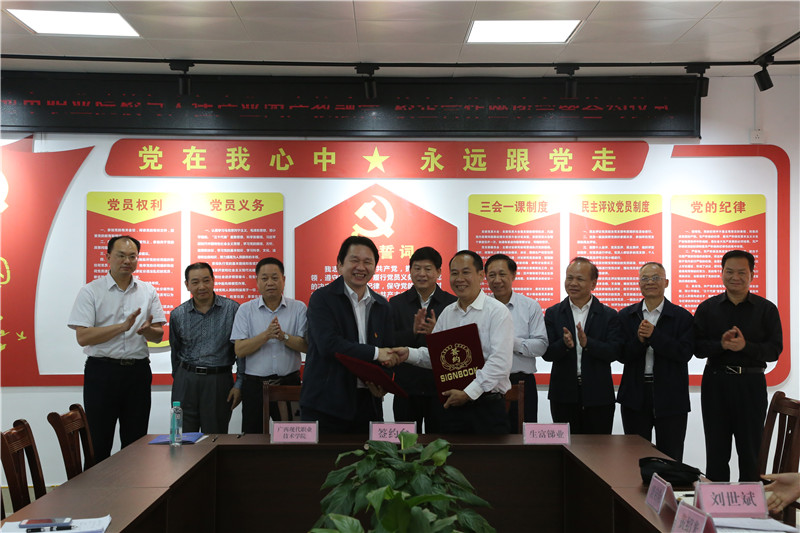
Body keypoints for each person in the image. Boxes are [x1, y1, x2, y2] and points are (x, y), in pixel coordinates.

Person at [392, 250, 513, 434]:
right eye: (455, 273)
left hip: (485, 407)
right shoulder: (448, 313)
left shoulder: (497, 312)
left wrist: (468, 393)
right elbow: (438, 356)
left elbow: (499, 363)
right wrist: (408, 353)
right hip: (452, 406)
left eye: (466, 272)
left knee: (487, 454)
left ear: (481, 275)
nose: (459, 279)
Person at [67, 235, 166, 461]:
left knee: (135, 442)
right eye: (121, 255)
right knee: (98, 442)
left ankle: (133, 485)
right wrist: (122, 327)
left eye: (132, 256)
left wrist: (147, 331)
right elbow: (83, 337)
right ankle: (96, 485)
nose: (127, 261)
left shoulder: (148, 291)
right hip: (102, 372)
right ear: (108, 257)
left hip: (137, 373)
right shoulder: (91, 291)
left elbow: (158, 335)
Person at [694, 249, 782, 482]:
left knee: (751, 452)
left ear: (752, 275)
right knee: (716, 451)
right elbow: (697, 348)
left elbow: (774, 350)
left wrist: (745, 346)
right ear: (722, 273)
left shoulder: (766, 309)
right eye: (730, 271)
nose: (735, 277)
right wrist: (721, 345)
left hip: (750, 384)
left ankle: (750, 503)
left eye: (742, 272)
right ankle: (716, 502)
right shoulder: (707, 308)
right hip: (716, 383)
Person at [300, 236, 397, 434]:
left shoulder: (382, 305)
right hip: (326, 404)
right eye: (354, 260)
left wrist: (383, 382)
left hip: (368, 404)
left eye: (367, 262)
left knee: (370, 454)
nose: (361, 267)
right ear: (339, 265)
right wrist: (376, 353)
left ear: (375, 267)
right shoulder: (322, 298)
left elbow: (389, 350)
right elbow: (328, 345)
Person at [617, 262, 693, 460]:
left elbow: (684, 353)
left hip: (671, 397)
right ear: (639, 283)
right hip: (634, 395)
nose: (650, 282)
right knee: (635, 457)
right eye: (645, 278)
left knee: (670, 457)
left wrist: (655, 336)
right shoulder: (626, 315)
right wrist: (640, 340)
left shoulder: (682, 317)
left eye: (656, 278)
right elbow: (621, 354)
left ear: (666, 282)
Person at [543, 257, 621, 434]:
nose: (573, 283)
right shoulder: (554, 313)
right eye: (569, 278)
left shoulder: (608, 315)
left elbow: (614, 352)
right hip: (563, 394)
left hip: (598, 395)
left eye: (579, 279)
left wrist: (588, 344)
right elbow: (546, 354)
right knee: (566, 447)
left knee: (598, 448)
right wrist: (564, 344)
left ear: (593, 283)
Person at [231, 257, 308, 433]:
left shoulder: (298, 308)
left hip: (289, 383)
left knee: (292, 436)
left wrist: (283, 336)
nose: (270, 283)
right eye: (264, 278)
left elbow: (306, 346)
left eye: (275, 278)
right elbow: (239, 350)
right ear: (257, 282)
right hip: (255, 386)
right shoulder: (245, 310)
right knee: (253, 438)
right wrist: (266, 335)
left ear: (284, 280)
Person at [389, 246, 456, 433]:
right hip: (406, 388)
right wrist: (412, 332)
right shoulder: (396, 303)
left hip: (441, 389)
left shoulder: (452, 304)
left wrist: (437, 334)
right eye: (417, 268)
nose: (422, 274)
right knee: (405, 444)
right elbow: (388, 341)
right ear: (410, 271)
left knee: (440, 444)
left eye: (428, 269)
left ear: (438, 272)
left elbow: (459, 346)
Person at [169, 262, 240, 434]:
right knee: (182, 436)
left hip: (218, 381)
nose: (201, 286)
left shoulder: (232, 310)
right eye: (195, 282)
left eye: (206, 280)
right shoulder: (178, 314)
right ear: (187, 285)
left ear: (213, 281)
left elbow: (241, 351)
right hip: (186, 381)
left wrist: (239, 384)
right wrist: (180, 380)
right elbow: (175, 351)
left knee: (215, 437)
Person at [485, 253, 547, 429]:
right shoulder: (480, 307)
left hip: (522, 383)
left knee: (524, 436)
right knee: (490, 436)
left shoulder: (530, 306)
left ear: (513, 275)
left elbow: (541, 346)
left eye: (502, 274)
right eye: (492, 275)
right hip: (488, 383)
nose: (497, 280)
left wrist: (509, 342)